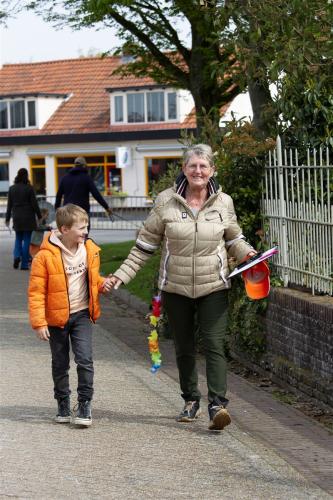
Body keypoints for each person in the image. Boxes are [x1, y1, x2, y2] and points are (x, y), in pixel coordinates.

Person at [108, 144, 256, 431]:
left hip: (214, 285)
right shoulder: (166, 201)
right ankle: (191, 400)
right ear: (184, 170)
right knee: (184, 346)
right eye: (193, 166)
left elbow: (233, 238)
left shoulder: (223, 202)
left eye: (203, 166)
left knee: (214, 344)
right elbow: (144, 245)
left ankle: (217, 406)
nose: (198, 171)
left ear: (212, 170)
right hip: (175, 288)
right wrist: (120, 276)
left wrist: (247, 254)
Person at [28, 204, 113, 427]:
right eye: (81, 228)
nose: (85, 232)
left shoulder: (90, 250)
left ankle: (85, 403)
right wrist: (39, 323)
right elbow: (36, 292)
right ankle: (63, 402)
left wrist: (104, 284)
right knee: (60, 362)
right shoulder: (44, 257)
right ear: (64, 229)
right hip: (56, 319)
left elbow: (93, 280)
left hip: (82, 314)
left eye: (86, 227)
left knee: (85, 359)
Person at [55, 157, 113, 227]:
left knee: (70, 235)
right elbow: (96, 194)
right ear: (84, 165)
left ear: (74, 165)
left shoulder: (65, 178)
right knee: (83, 234)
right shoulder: (86, 178)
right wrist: (106, 207)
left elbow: (59, 195)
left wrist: (57, 209)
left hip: (68, 212)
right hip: (82, 211)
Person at [5, 168, 42, 270]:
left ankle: (17, 256)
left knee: (18, 238)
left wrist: (7, 218)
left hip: (17, 216)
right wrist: (39, 216)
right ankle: (24, 264)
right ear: (26, 176)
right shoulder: (29, 188)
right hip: (28, 217)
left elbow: (9, 206)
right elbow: (34, 204)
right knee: (26, 240)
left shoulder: (12, 188)